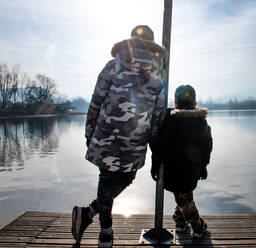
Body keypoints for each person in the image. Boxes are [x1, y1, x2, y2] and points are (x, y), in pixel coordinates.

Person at [71, 25, 167, 248]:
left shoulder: (113, 66)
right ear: (152, 45)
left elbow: (96, 101)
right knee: (126, 178)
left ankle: (92, 215)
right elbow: (158, 114)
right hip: (137, 138)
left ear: (130, 41)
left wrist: (89, 133)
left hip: (106, 135)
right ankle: (104, 231)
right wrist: (152, 143)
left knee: (107, 181)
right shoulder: (159, 74)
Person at [150, 84, 213, 239]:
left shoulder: (170, 121)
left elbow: (161, 146)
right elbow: (207, 145)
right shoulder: (202, 122)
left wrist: (155, 165)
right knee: (183, 195)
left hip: (172, 169)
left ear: (175, 103)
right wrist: (204, 166)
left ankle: (197, 227)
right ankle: (180, 223)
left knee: (182, 197)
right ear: (195, 103)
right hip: (192, 170)